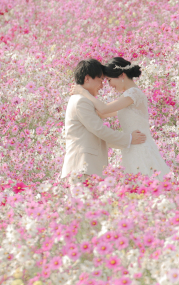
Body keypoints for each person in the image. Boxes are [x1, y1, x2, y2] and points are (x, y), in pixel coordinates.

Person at [70, 57, 171, 179]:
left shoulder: (133, 93)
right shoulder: (128, 97)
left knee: (145, 180)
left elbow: (104, 109)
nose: (109, 85)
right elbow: (102, 114)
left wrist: (83, 92)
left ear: (122, 75)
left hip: (139, 144)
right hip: (132, 145)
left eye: (109, 80)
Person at [61, 59, 147, 200]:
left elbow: (98, 134)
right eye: (101, 80)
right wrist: (129, 138)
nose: (102, 86)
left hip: (88, 168)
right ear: (87, 78)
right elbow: (99, 130)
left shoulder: (83, 100)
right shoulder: (81, 101)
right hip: (82, 167)